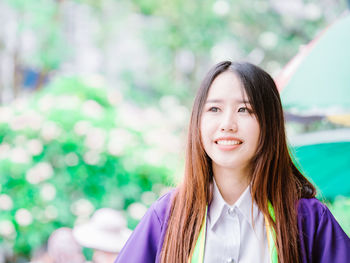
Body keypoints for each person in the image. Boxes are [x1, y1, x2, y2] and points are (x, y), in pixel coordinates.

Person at [114, 61, 350, 263]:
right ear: (198, 120)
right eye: (214, 108)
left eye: (244, 109)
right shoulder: (168, 215)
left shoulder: (308, 219)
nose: (227, 124)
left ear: (270, 124)